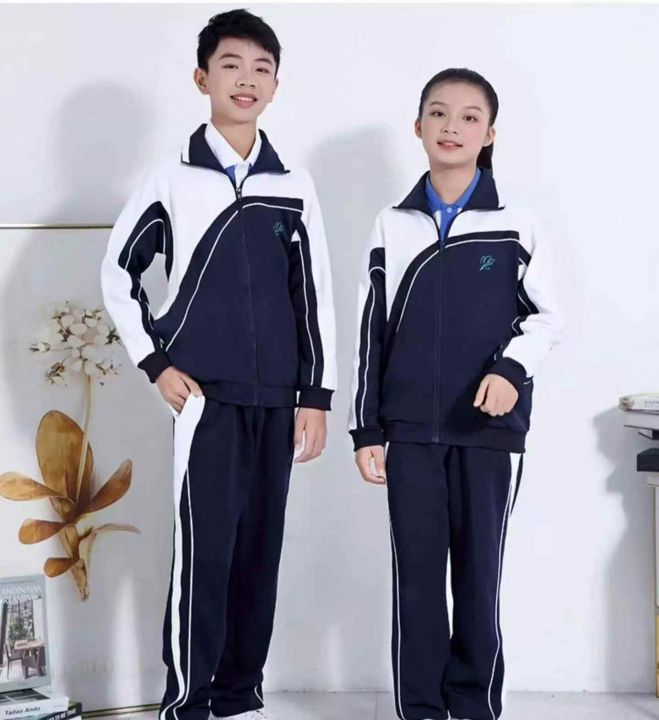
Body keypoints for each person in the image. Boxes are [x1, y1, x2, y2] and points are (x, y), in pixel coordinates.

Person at [101, 10, 336, 720]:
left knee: (260, 551)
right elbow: (118, 274)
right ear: (202, 78)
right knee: (205, 553)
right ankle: (188, 700)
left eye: (262, 69)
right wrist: (156, 363)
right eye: (232, 65)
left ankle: (238, 693)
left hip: (278, 399)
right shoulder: (171, 178)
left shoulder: (292, 183)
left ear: (276, 87)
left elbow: (314, 293)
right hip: (204, 398)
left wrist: (315, 395)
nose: (247, 79)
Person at [348, 68, 562, 720]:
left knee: (477, 580)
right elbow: (370, 332)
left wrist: (510, 370)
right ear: (418, 127)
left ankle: (473, 708)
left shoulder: (516, 224)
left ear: (489, 134)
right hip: (409, 433)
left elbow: (546, 319)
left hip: (487, 434)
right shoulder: (391, 224)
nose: (452, 127)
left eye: (470, 117)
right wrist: (367, 429)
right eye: (439, 113)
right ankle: (420, 709)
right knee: (416, 582)